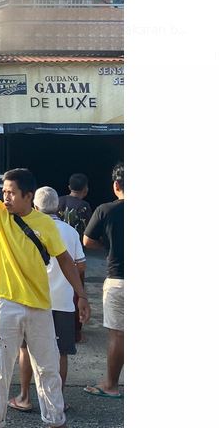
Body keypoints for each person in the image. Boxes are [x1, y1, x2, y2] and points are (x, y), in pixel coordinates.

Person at [0, 138, 90, 428]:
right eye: (3, 192)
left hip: (39, 307)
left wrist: (82, 295)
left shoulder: (46, 224)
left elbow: (65, 260)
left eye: (11, 193)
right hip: (6, 305)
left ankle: (54, 419)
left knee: (47, 369)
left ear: (28, 196)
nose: (6, 197)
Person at [8, 186, 86, 413]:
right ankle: (57, 401)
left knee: (26, 349)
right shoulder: (70, 232)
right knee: (60, 352)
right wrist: (80, 293)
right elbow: (80, 265)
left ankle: (24, 397)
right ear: (58, 207)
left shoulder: (27, 226)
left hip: (32, 300)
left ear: (35, 206)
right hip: (62, 301)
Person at [82, 163, 124, 399]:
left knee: (117, 334)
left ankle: (111, 384)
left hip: (119, 279)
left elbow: (87, 240)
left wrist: (108, 247)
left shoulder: (106, 210)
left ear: (116, 185)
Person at [57, 173, 92, 344]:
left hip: (55, 252)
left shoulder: (59, 201)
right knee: (78, 292)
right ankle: (76, 332)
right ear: (85, 189)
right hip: (76, 255)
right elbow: (87, 231)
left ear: (69, 187)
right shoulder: (84, 207)